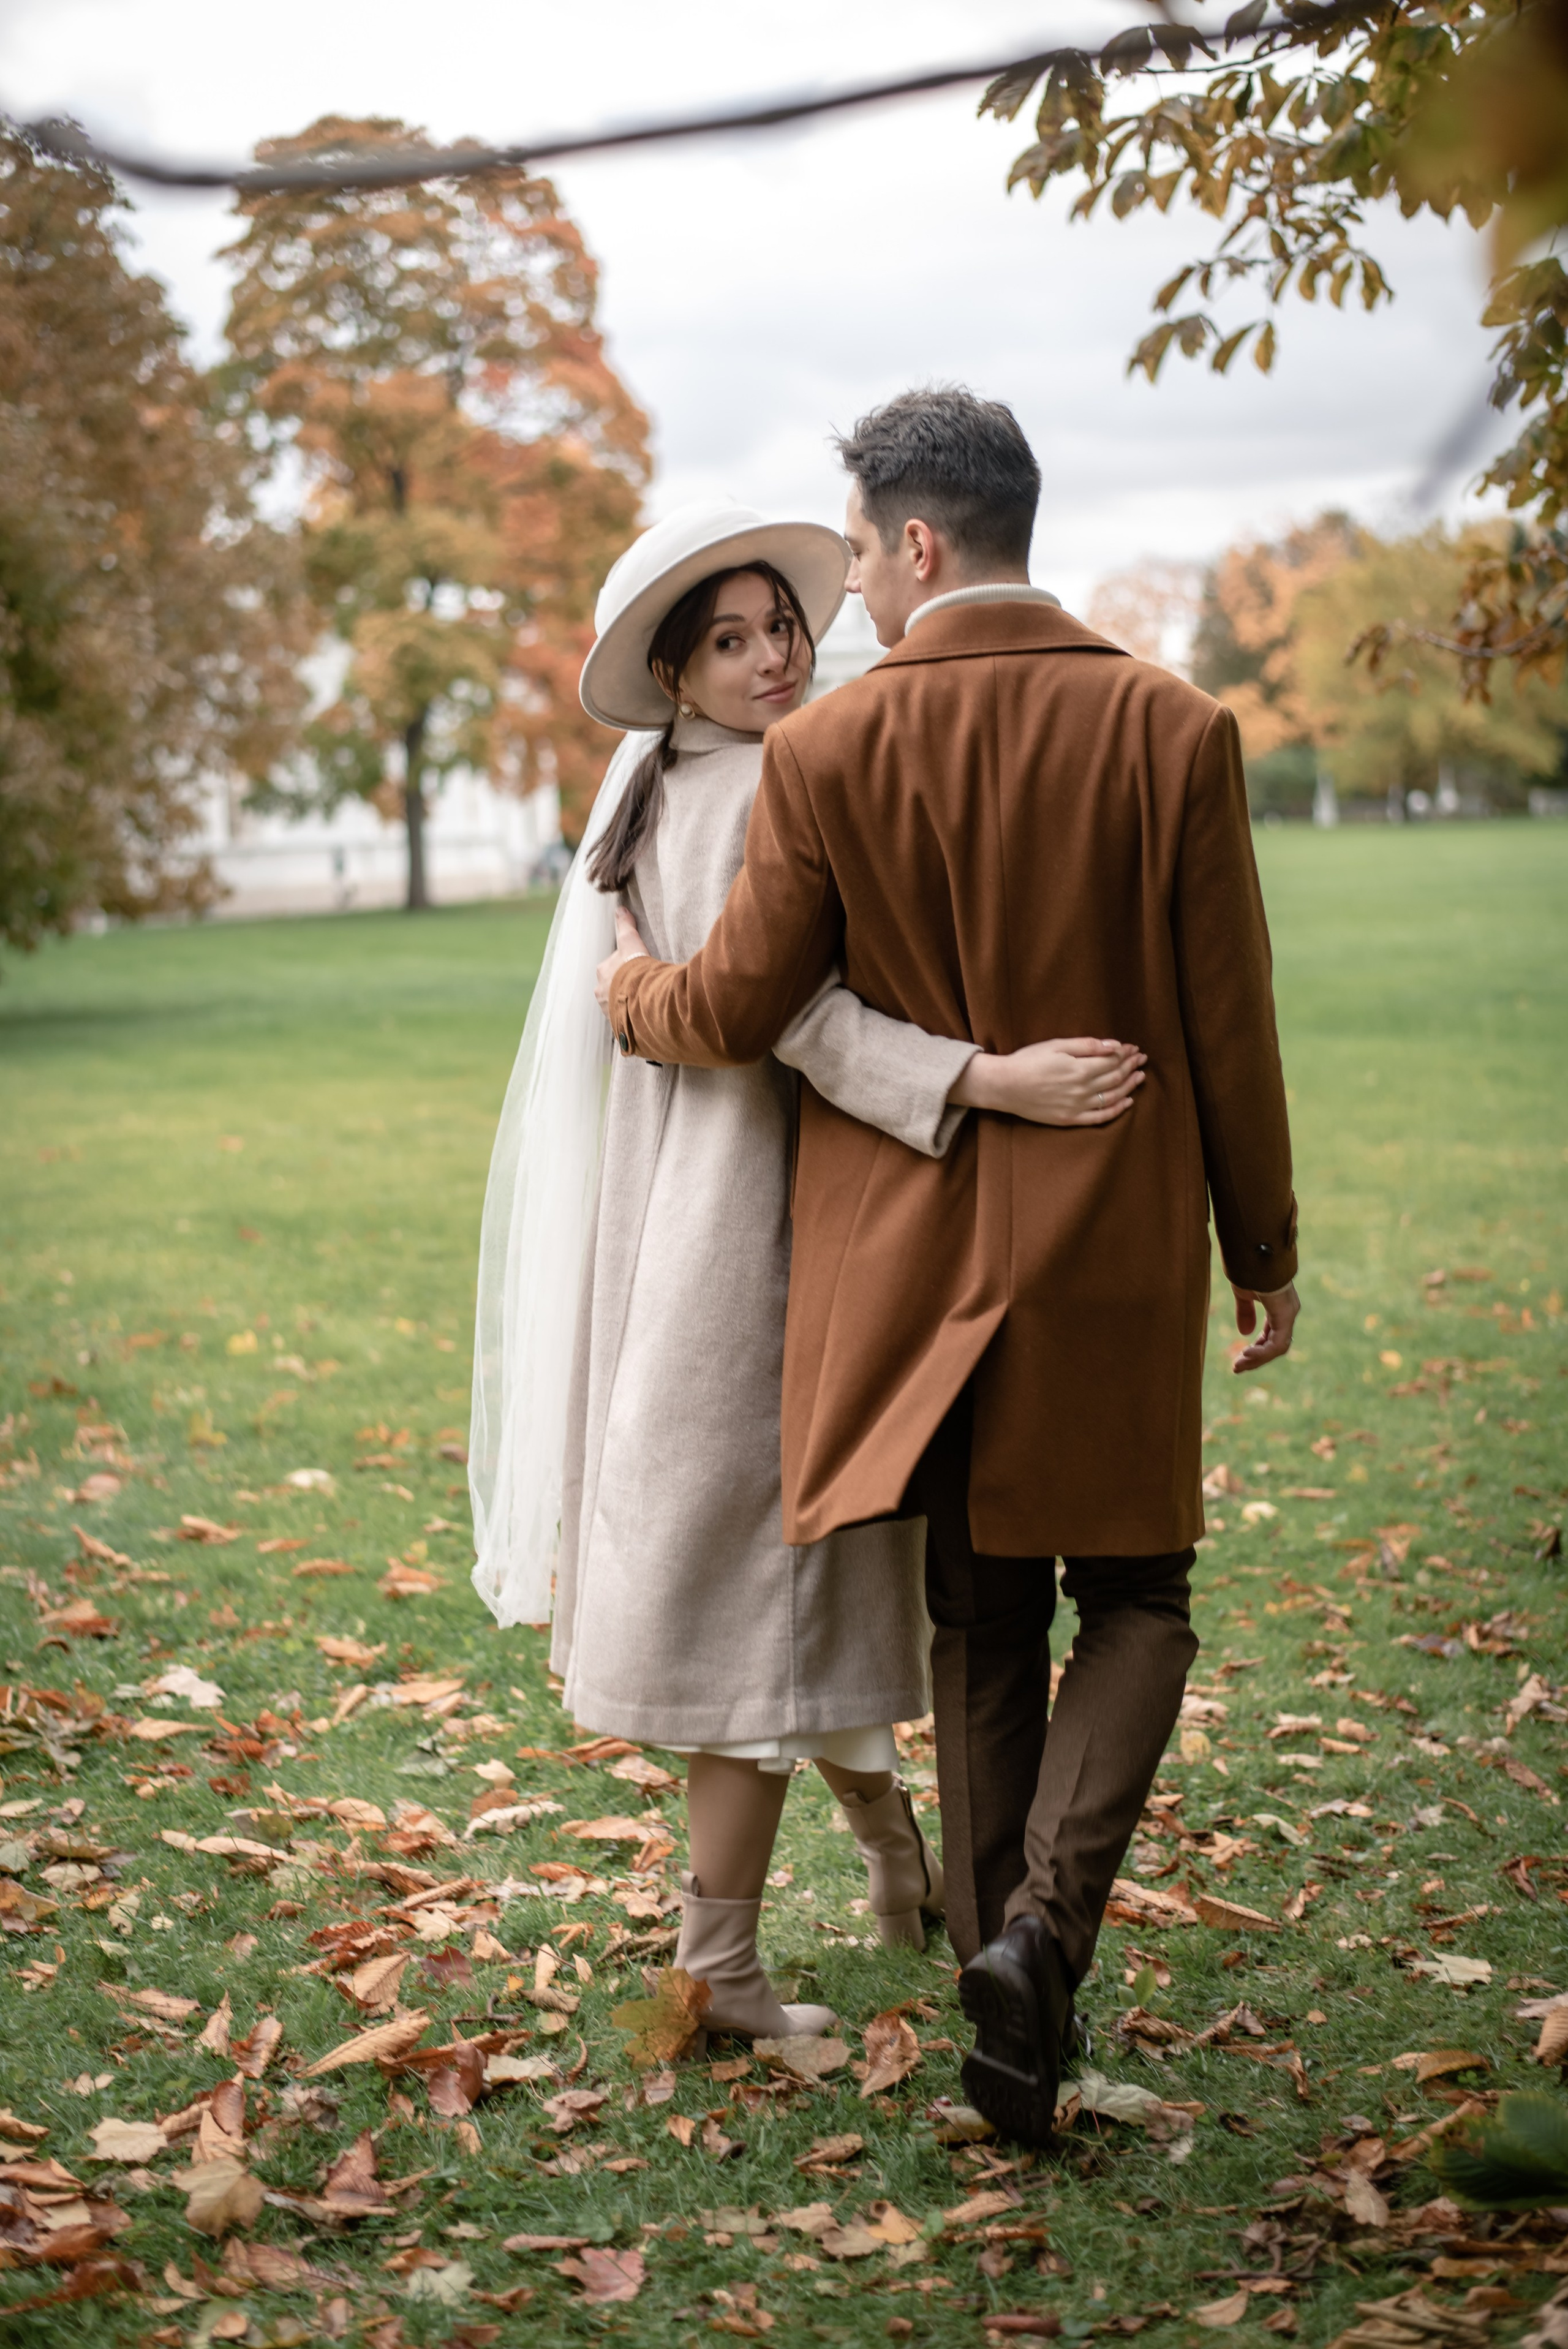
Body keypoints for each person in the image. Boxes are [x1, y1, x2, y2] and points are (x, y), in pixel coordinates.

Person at [597, 391, 1302, 2141]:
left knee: (983, 1619)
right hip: (1121, 1249)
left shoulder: (828, 756)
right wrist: (1262, 1246)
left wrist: (623, 982)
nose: (850, 611)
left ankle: (1011, 1991)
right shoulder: (1175, 725)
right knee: (1136, 1599)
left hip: (918, 1263)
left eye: (857, 563)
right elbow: (1232, 1022)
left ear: (918, 542)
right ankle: (1041, 1941)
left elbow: (739, 1011)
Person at [471, 499, 1146, 2046]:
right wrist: (991, 1081)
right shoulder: (742, 791)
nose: (774, 655)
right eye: (731, 640)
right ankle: (717, 1970)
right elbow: (792, 1018)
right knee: (764, 1574)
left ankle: (894, 1862)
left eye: (781, 623)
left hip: (696, 1209)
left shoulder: (657, 783)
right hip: (755, 1224)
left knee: (816, 1562)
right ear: (678, 671)